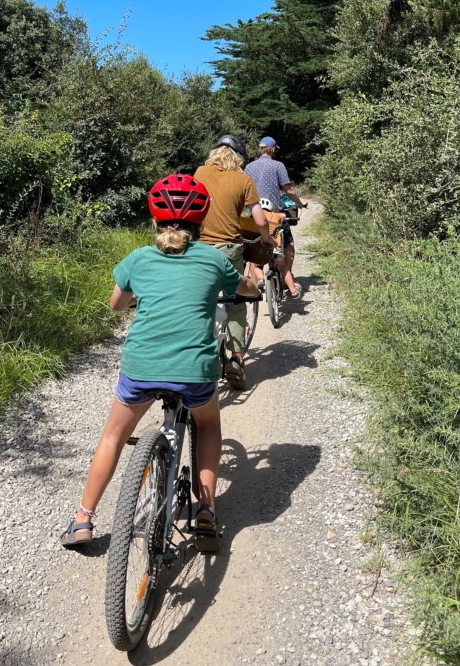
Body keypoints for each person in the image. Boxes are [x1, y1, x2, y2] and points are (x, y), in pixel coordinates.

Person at [60, 174, 259, 552]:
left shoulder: (138, 258)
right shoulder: (214, 259)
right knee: (209, 425)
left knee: (113, 436)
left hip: (142, 366)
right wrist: (252, 288)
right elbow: (244, 289)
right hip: (194, 371)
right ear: (201, 224)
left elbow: (116, 304)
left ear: (154, 221)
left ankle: (83, 520)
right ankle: (206, 511)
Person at [194, 134, 276, 390]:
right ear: (239, 156)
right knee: (236, 303)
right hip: (230, 249)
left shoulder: (200, 172)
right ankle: (236, 361)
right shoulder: (243, 180)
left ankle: (195, 353)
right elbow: (260, 220)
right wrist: (267, 240)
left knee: (201, 300)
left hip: (200, 249)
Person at [244, 136, 308, 299]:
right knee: (288, 245)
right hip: (275, 215)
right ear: (272, 149)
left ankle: (256, 285)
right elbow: (289, 191)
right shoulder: (278, 165)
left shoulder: (249, 167)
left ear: (260, 149)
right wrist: (300, 204)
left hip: (254, 216)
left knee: (254, 254)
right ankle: (287, 278)